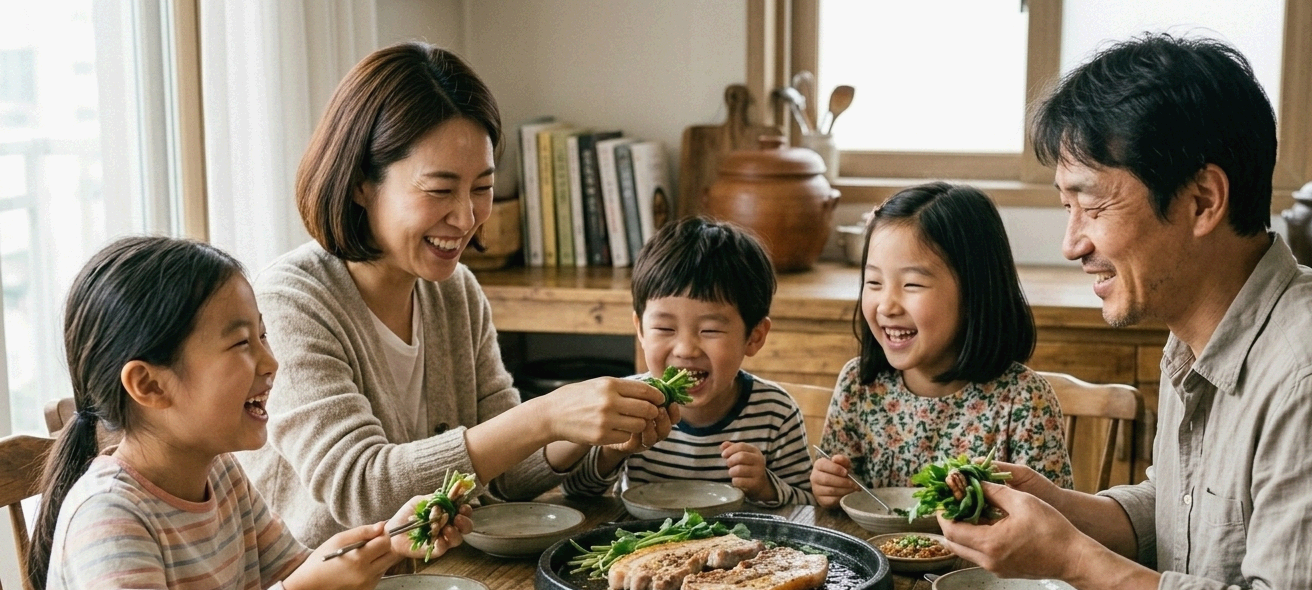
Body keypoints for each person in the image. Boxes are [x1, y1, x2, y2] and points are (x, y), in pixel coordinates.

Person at [938, 34, 1312, 590]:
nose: (1071, 243)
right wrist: (1064, 507)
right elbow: (1186, 506)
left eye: (1090, 206)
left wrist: (1072, 559)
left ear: (1202, 200)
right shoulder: (1198, 331)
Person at [28, 237, 469, 590]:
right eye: (242, 344)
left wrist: (393, 543)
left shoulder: (221, 472)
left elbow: (303, 573)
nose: (271, 361)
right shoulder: (108, 514)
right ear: (148, 384)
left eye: (262, 335)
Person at [242, 42, 672, 547]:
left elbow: (507, 474)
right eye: (440, 189)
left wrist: (597, 436)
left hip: (440, 579)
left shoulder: (455, 291)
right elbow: (362, 489)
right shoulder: (289, 302)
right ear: (362, 182)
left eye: (482, 187)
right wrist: (545, 414)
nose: (467, 218)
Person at [810, 182, 1072, 511]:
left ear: (976, 291)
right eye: (874, 282)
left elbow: (1053, 528)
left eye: (912, 284)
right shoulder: (859, 385)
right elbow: (843, 504)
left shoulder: (1022, 400)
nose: (886, 305)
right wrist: (829, 489)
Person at [561, 217, 813, 506]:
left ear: (754, 337)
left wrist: (765, 487)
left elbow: (807, 504)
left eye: (710, 330)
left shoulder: (776, 413)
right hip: (645, 546)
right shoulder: (626, 406)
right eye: (665, 329)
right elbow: (576, 493)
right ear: (641, 330)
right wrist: (612, 453)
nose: (685, 349)